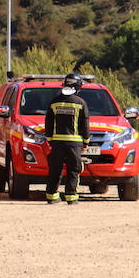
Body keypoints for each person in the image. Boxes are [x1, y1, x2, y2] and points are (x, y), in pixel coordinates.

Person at [44, 73, 89, 205]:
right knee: (73, 169)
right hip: (74, 143)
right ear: (77, 87)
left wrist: (49, 139)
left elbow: (48, 122)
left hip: (57, 143)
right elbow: (85, 124)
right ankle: (71, 197)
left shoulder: (54, 102)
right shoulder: (80, 103)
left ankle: (51, 197)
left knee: (55, 169)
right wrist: (86, 141)